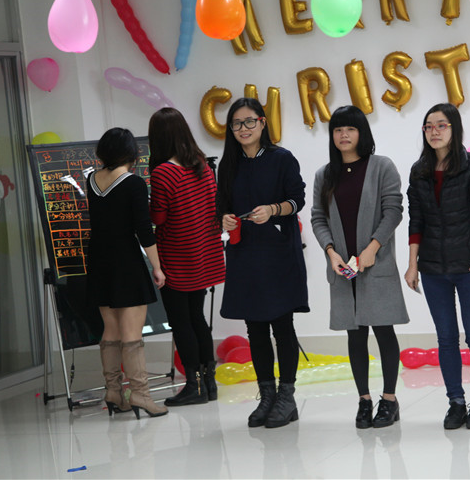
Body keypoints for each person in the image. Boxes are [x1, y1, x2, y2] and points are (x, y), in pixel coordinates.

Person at [311, 106, 409, 429]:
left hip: (375, 265)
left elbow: (393, 211)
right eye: (338, 129)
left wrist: (371, 249)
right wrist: (330, 252)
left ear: (361, 133)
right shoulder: (325, 174)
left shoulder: (382, 166)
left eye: (350, 129)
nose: (343, 135)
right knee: (355, 335)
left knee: (383, 330)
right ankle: (364, 400)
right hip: (344, 269)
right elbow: (318, 218)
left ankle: (389, 400)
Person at [216, 97, 309, 429]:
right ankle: (266, 395)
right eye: (236, 123)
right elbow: (221, 206)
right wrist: (225, 219)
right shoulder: (228, 164)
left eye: (249, 121)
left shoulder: (281, 158)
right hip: (244, 254)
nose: (243, 129)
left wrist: (272, 210)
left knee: (282, 325)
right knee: (254, 327)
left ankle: (287, 396)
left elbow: (297, 200)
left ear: (262, 123)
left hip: (278, 252)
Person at [404, 103, 470, 430]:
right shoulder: (419, 171)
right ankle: (455, 402)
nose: (434, 131)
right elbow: (416, 220)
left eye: (441, 125)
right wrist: (412, 264)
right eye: (428, 126)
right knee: (446, 338)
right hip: (432, 268)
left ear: (454, 129)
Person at [86, 127, 168, 419]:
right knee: (132, 334)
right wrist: (157, 267)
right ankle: (141, 396)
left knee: (110, 330)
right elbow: (143, 230)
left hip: (98, 260)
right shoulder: (133, 183)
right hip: (126, 261)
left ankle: (113, 392)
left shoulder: (91, 180)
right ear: (131, 153)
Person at [148, 108, 226, 407]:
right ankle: (209, 383)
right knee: (197, 318)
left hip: (177, 255)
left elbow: (159, 217)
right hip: (204, 253)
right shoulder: (201, 164)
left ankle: (193, 386)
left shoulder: (163, 172)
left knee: (181, 322)